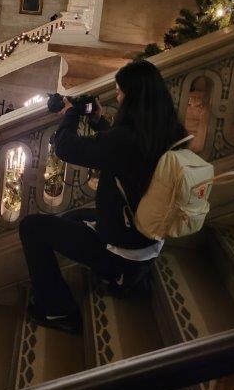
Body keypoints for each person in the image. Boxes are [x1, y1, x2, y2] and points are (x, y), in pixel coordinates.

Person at [19, 60, 188, 334]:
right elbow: (125, 154)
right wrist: (98, 122)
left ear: (133, 98)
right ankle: (128, 275)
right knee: (73, 217)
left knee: (32, 227)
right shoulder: (170, 131)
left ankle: (57, 310)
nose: (117, 98)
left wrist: (70, 114)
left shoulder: (126, 139)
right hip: (148, 238)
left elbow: (66, 148)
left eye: (121, 92)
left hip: (124, 251)